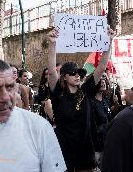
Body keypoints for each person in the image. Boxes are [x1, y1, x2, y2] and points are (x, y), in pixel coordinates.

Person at [47, 27, 115, 172]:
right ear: (64, 77)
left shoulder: (86, 91)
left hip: (85, 151)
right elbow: (52, 72)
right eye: (73, 73)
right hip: (64, 150)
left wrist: (109, 42)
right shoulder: (58, 94)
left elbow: (101, 67)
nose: (77, 75)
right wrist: (52, 44)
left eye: (79, 73)